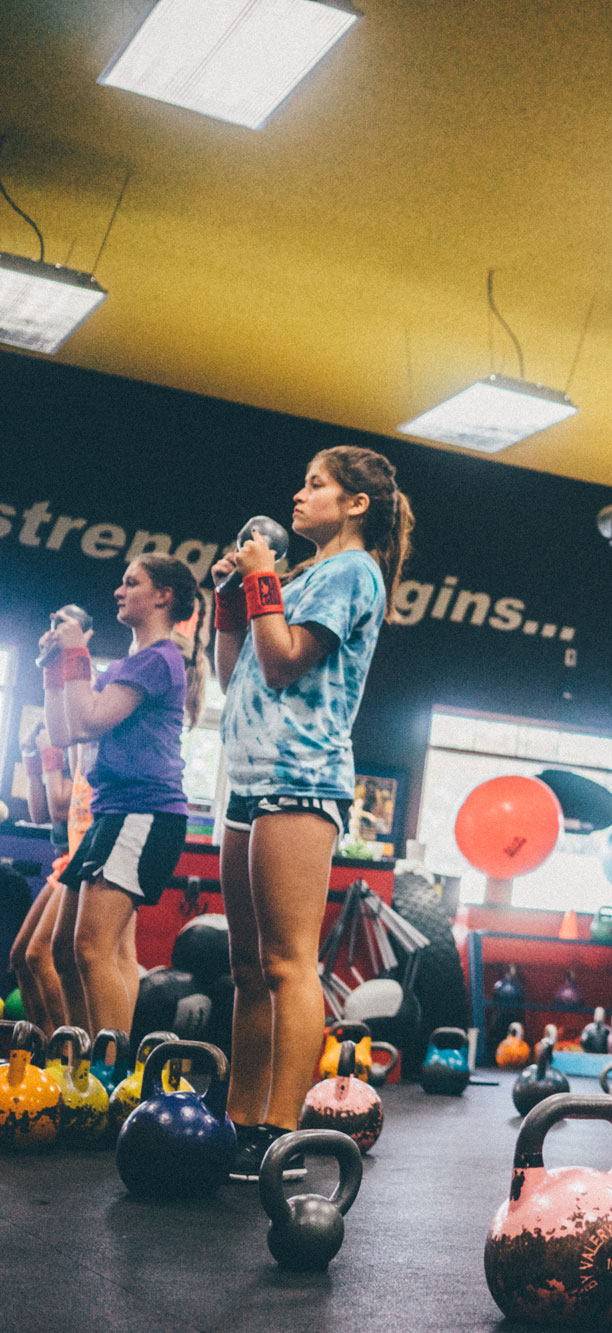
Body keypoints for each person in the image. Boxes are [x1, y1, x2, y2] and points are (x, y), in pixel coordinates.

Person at [212, 446, 408, 1182]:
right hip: (247, 779)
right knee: (246, 967)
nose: (299, 495)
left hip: (302, 777)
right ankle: (238, 1121)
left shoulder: (354, 572)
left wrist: (264, 574)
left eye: (316, 485)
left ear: (356, 503)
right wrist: (236, 596)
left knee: (289, 962)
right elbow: (232, 670)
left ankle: (282, 1131)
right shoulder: (307, 575)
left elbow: (285, 659)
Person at [39, 556, 203, 1036]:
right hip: (112, 814)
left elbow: (89, 719)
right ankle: (77, 1070)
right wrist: (56, 666)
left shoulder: (159, 659)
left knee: (92, 950)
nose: (119, 590)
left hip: (146, 813)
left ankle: (112, 1080)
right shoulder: (124, 666)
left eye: (132, 583)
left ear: (163, 596)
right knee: (64, 954)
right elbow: (65, 731)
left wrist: (76, 655)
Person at [9, 722, 75, 1033]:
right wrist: (31, 755)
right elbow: (39, 813)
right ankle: (43, 1047)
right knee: (21, 957)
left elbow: (61, 807)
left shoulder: (79, 739)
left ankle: (64, 1053)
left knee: (37, 954)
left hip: (85, 854)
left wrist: (50, 752)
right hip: (64, 858)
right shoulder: (58, 744)